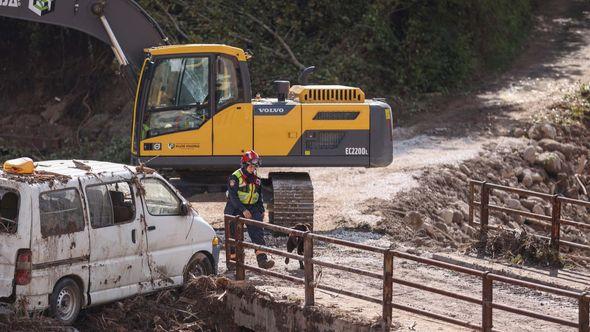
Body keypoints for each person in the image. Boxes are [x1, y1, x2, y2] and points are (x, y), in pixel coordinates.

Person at [224, 150, 275, 269]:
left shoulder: (257, 177)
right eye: (251, 166)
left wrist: (261, 210)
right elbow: (233, 197)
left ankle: (262, 260)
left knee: (257, 232)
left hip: (253, 207)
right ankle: (233, 262)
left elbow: (259, 195)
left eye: (255, 166)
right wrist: (243, 210)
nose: (253, 168)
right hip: (235, 208)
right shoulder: (235, 177)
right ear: (245, 165)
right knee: (233, 235)